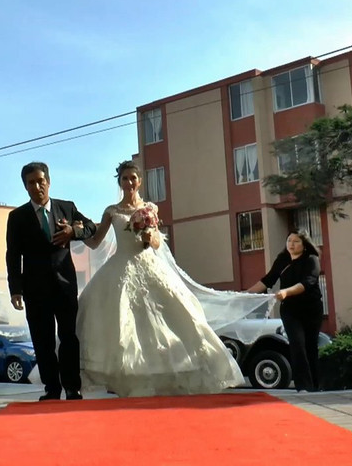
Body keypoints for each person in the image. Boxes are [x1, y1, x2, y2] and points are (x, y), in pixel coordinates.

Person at [75, 160, 245, 397]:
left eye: (133, 178)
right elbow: (95, 242)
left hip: (149, 265)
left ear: (139, 181)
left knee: (175, 313)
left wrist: (147, 234)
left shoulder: (150, 209)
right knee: (121, 320)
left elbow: (156, 243)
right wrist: (77, 232)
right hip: (120, 266)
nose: (129, 182)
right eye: (125, 178)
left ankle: (178, 370)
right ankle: (130, 377)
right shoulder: (111, 211)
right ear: (120, 182)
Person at [6, 162, 97, 401]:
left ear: (48, 181)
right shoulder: (17, 217)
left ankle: (72, 387)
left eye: (40, 181)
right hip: (34, 288)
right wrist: (15, 289)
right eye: (31, 183)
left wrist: (72, 233)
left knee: (68, 337)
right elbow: (13, 254)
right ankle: (52, 389)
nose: (37, 186)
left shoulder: (67, 208)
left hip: (65, 284)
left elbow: (91, 228)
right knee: (42, 340)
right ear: (25, 187)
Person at [247, 231, 323, 392]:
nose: (291, 244)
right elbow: (267, 280)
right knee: (297, 344)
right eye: (289, 240)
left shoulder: (312, 260)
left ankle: (315, 386)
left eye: (296, 241)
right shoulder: (282, 260)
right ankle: (303, 386)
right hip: (290, 311)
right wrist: (245, 294)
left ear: (304, 245)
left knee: (310, 346)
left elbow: (307, 282)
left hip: (311, 309)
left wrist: (286, 292)